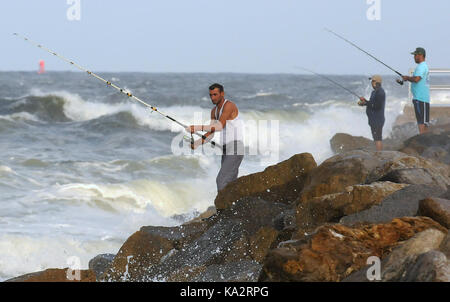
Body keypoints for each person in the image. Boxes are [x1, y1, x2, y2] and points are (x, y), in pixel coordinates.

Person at [186, 83, 244, 192]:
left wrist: (197, 127)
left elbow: (219, 126)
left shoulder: (229, 105)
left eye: (215, 94)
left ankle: (224, 209)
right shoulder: (214, 111)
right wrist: (197, 143)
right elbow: (211, 133)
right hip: (226, 150)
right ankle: (235, 206)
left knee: (221, 180)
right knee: (230, 184)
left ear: (222, 94)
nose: (212, 98)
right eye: (211, 95)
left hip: (236, 148)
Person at [402, 47, 430, 134]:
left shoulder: (422, 66)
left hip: (420, 98)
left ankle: (422, 139)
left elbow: (417, 79)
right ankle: (424, 139)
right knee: (423, 122)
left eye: (415, 55)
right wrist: (408, 78)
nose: (414, 57)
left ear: (420, 55)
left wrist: (407, 77)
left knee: (421, 122)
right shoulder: (423, 66)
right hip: (421, 98)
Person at [358, 75, 386, 151]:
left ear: (378, 82)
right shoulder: (374, 92)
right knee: (375, 138)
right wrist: (365, 102)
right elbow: (372, 103)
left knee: (378, 138)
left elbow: (377, 106)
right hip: (373, 119)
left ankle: (379, 155)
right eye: (371, 81)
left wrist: (366, 103)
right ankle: (378, 153)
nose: (372, 83)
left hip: (378, 119)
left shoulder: (380, 92)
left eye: (373, 81)